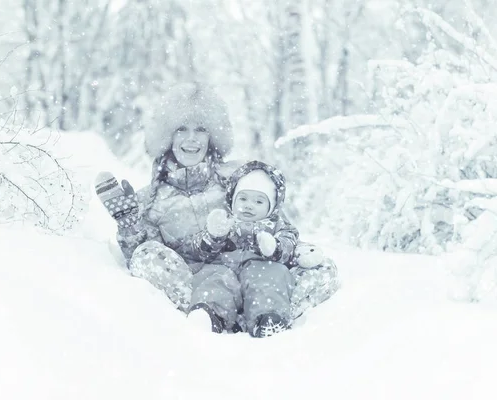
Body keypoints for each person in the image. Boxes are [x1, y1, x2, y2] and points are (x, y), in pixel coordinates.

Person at [94, 82, 339, 324]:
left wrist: (274, 246)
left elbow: (276, 222)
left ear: (212, 136)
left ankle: (269, 313)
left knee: (322, 267)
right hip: (199, 285)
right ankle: (208, 313)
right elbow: (142, 259)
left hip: (256, 274)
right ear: (168, 136)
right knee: (145, 255)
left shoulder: (237, 177)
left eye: (200, 129)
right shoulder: (150, 199)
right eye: (182, 129)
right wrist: (129, 225)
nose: (192, 139)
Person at [185, 160, 296, 337]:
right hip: (225, 266)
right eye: (243, 198)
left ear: (272, 206)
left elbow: (289, 244)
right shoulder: (223, 220)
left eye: (259, 201)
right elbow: (199, 250)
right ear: (232, 199)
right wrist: (214, 236)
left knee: (271, 278)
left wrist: (274, 248)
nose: (248, 205)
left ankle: (268, 318)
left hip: (260, 267)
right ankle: (209, 313)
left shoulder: (277, 225)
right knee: (214, 279)